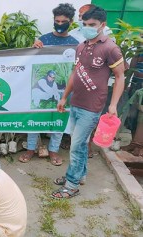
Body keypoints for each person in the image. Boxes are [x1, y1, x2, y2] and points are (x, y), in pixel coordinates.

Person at [53, 6, 125, 199]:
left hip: (92, 107)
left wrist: (113, 105)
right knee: (81, 144)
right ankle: (79, 176)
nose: (87, 28)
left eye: (92, 25)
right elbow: (74, 73)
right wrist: (64, 97)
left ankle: (72, 185)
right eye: (84, 24)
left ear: (102, 25)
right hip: (76, 103)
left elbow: (120, 77)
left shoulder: (110, 48)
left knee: (76, 145)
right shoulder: (81, 46)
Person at [21, 3, 79, 166]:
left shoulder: (75, 44)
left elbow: (76, 68)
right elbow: (31, 61)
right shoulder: (43, 40)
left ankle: (53, 151)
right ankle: (31, 148)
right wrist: (34, 48)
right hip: (41, 87)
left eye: (63, 21)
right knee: (36, 116)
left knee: (58, 118)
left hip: (64, 89)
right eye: (57, 21)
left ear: (71, 21)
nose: (60, 24)